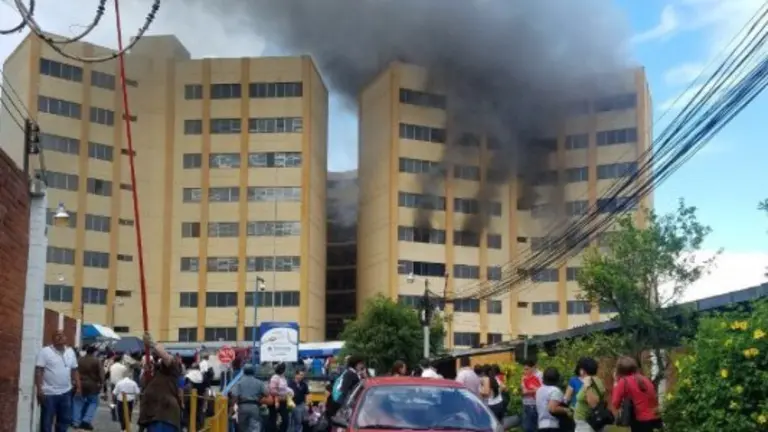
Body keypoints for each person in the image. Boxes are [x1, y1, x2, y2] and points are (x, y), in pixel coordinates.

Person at [36, 330, 80, 432]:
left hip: (66, 392)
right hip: (49, 393)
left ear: (66, 338)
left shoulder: (70, 352)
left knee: (64, 421)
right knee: (46, 422)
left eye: (62, 335)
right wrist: (39, 389)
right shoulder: (45, 351)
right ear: (53, 339)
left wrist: (78, 386)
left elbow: (74, 370)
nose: (60, 337)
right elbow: (39, 370)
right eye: (57, 335)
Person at [138, 333, 184, 431]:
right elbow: (143, 384)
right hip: (151, 414)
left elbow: (167, 358)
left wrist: (151, 343)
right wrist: (146, 372)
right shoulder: (155, 373)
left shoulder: (171, 369)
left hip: (165, 414)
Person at [611, 357, 663, 432]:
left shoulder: (624, 381)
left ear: (619, 370)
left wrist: (616, 382)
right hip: (655, 419)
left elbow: (615, 403)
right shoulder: (645, 379)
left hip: (640, 422)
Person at [231, 364, 273, 432]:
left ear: (244, 372)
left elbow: (234, 397)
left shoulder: (239, 383)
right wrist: (260, 397)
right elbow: (267, 394)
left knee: (243, 428)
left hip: (242, 407)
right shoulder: (259, 382)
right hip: (254, 407)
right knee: (255, 427)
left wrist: (233, 409)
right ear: (253, 372)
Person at [73, 345, 104, 430]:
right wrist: (102, 383)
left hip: (80, 383)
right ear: (94, 352)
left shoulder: (80, 360)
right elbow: (101, 374)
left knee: (78, 402)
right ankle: (86, 420)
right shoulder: (97, 361)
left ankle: (76, 421)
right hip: (92, 384)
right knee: (93, 402)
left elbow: (74, 371)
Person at [325, 355, 365, 420]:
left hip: (334, 401)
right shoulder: (350, 374)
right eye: (361, 364)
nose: (362, 366)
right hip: (338, 403)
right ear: (355, 364)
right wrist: (346, 406)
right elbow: (344, 390)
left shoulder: (349, 372)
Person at [573, 357, 605, 432]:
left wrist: (587, 386)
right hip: (584, 423)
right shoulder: (595, 380)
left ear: (583, 370)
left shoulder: (590, 382)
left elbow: (594, 403)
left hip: (586, 425)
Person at [536, 367, 572, 432]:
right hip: (553, 426)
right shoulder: (555, 390)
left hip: (541, 425)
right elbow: (553, 408)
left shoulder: (539, 390)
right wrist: (567, 410)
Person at [521, 359, 543, 432]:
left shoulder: (539, 375)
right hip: (526, 403)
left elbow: (542, 389)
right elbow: (523, 389)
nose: (525, 371)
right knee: (526, 427)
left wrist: (528, 391)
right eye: (524, 369)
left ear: (533, 367)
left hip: (534, 404)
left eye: (527, 369)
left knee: (532, 427)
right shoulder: (525, 376)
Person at [268, 362, 291, 432]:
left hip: (283, 401)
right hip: (276, 401)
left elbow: (285, 388)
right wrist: (276, 401)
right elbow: (272, 390)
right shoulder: (275, 377)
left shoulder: (283, 377)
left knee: (285, 420)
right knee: (273, 419)